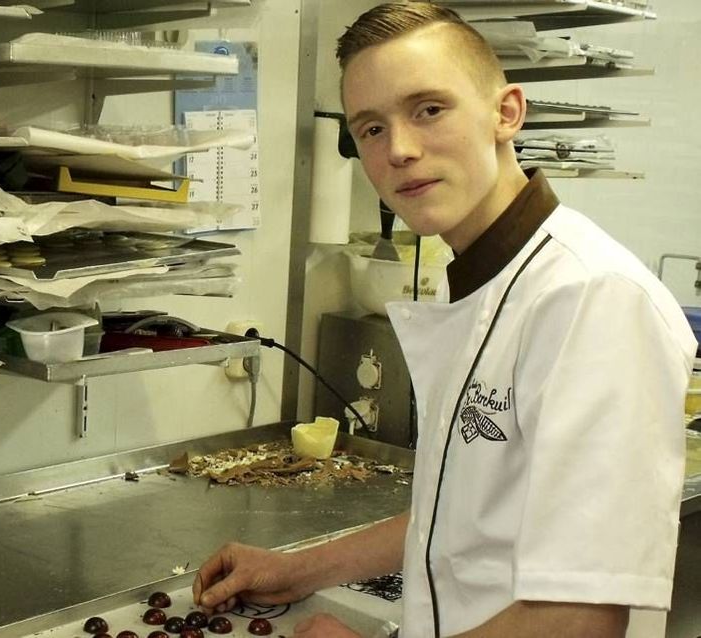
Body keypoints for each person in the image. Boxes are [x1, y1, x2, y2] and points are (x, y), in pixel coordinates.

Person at [192, 3, 697, 638]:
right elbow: (463, 513)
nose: (400, 149)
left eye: (429, 109)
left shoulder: (593, 300)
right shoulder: (486, 281)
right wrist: (298, 568)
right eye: (371, 128)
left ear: (505, 113)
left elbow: (578, 619)